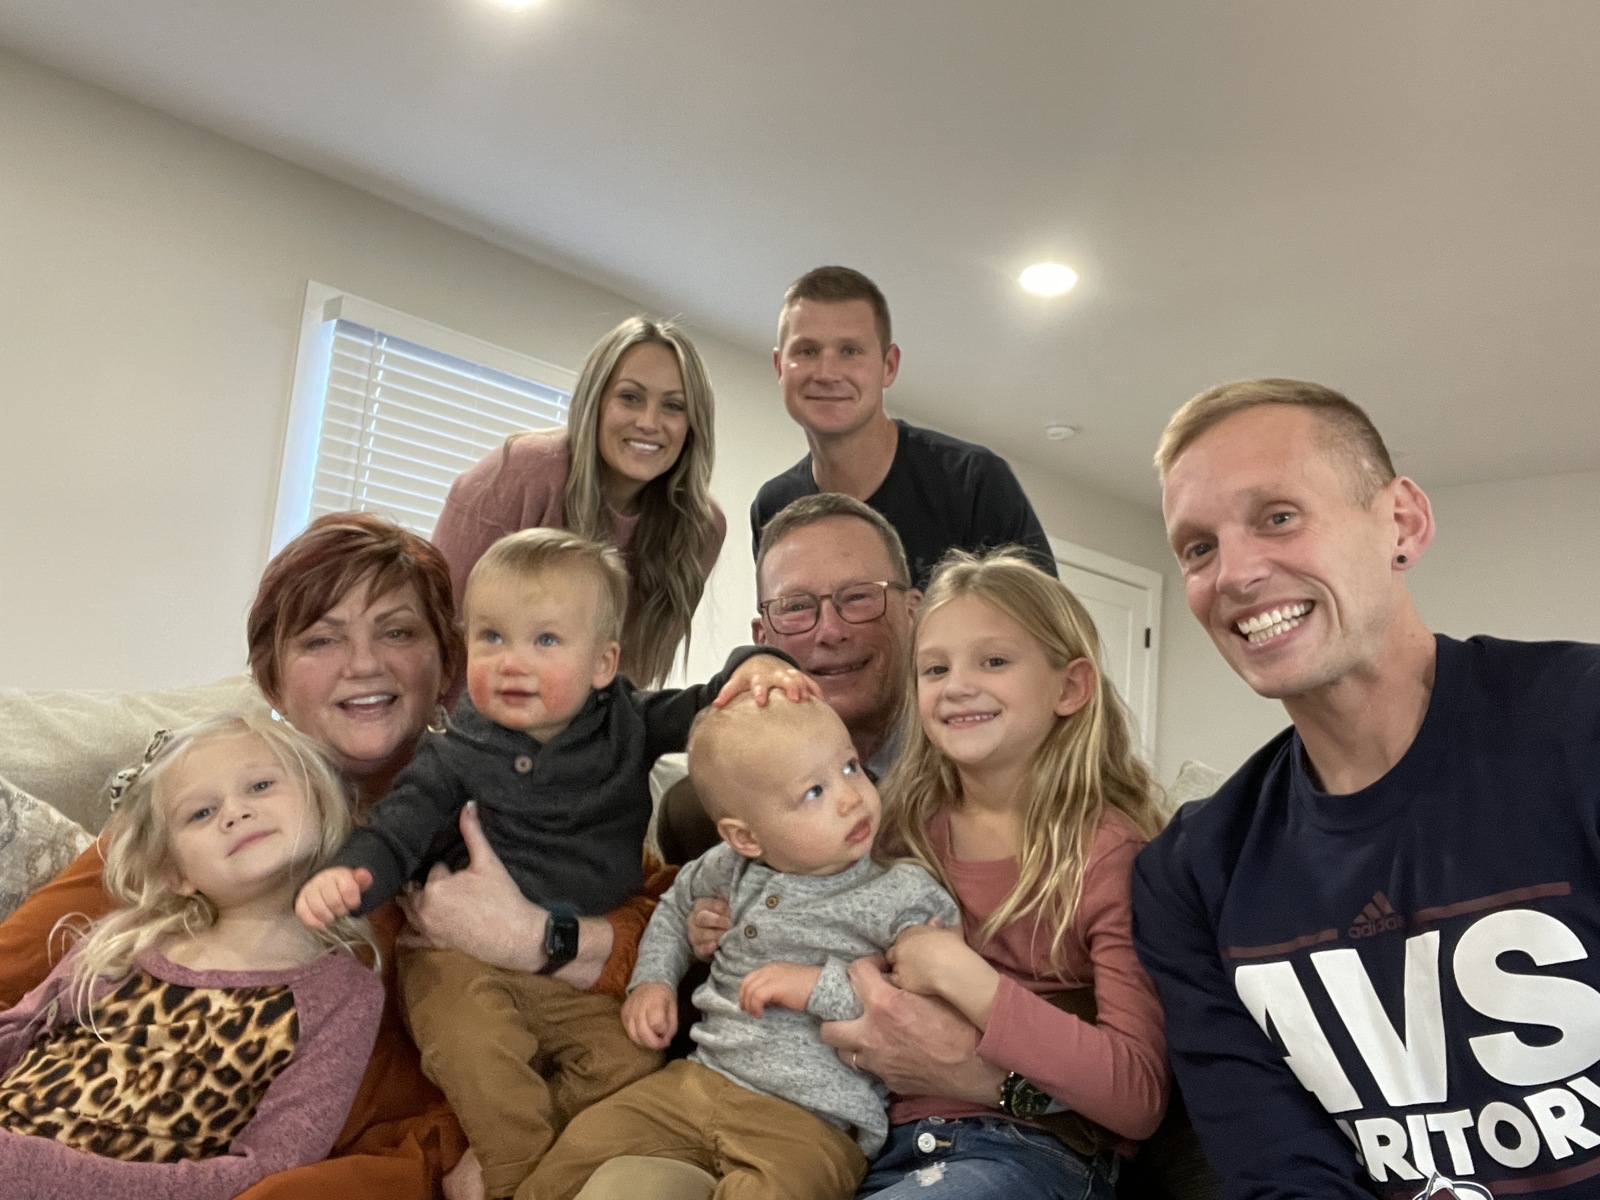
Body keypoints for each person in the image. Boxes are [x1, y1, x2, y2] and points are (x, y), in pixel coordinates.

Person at [0, 512, 655, 1200]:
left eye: (398, 632)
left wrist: (540, 940)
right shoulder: (196, 829)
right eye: (321, 638)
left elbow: (688, 944)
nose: (364, 664)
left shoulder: (546, 796)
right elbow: (14, 982)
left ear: (449, 663)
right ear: (273, 679)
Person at [1132, 379, 1600, 1197]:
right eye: (1198, 548)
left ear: (1403, 523)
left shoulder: (1579, 721)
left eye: (1278, 516)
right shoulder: (1191, 875)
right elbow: (1279, 1171)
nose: (1235, 572)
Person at [297, 527, 812, 1200]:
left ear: (603, 664)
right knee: (477, 1053)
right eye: (492, 638)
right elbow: (396, 832)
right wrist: (352, 878)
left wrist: (759, 664)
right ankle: (517, 1180)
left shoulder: (626, 719)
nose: (514, 662)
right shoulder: (454, 754)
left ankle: (530, 1163)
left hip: (573, 981)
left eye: (545, 641)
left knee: (634, 1058)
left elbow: (712, 704)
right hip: (459, 965)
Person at [528, 695, 960, 1200]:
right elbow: (671, 908)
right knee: (582, 1147)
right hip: (699, 1081)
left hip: (811, 1120)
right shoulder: (727, 869)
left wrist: (811, 987)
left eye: (850, 767)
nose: (851, 797)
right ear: (746, 838)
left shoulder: (903, 892)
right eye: (815, 791)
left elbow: (921, 1006)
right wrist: (652, 980)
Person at [0, 713, 385, 1199]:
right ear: (176, 873)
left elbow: (270, 1172)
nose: (234, 812)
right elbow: (14, 1035)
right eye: (201, 813)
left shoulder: (341, 994)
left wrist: (41, 1174)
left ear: (323, 803)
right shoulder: (125, 944)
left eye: (261, 785)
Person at [433, 316, 726, 686]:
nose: (650, 422)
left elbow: (631, 677)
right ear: (596, 399)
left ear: (693, 424)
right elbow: (434, 625)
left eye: (673, 406)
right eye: (630, 397)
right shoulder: (522, 471)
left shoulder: (701, 528)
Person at [750, 265, 1055, 590]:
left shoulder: (973, 482)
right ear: (779, 367)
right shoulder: (773, 507)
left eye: (850, 351)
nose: (827, 372)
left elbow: (1047, 633)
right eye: (807, 351)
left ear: (889, 366)